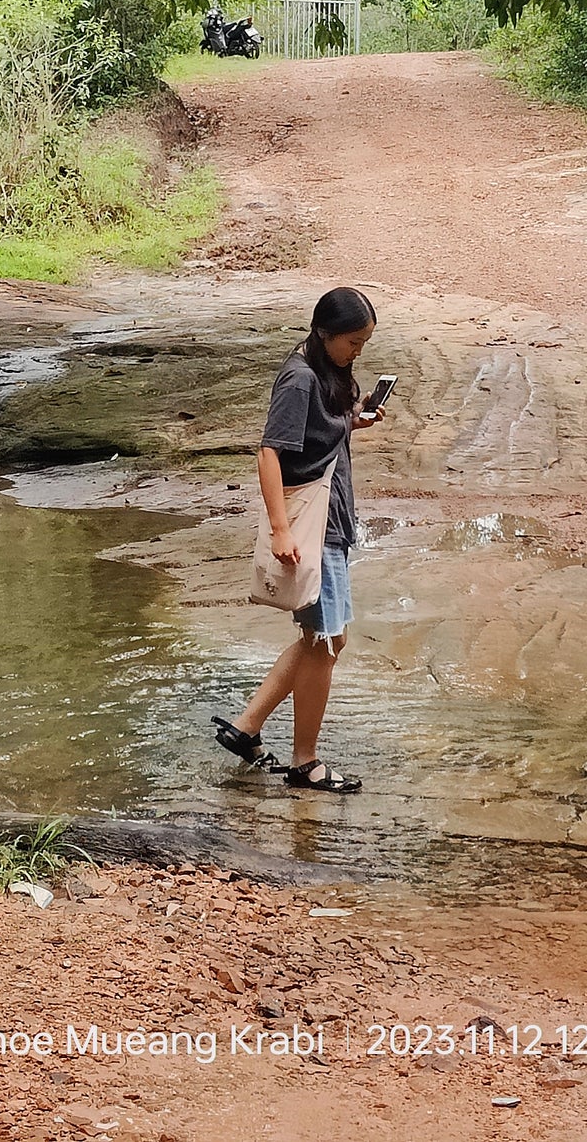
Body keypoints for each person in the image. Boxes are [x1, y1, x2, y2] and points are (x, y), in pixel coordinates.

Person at [212, 286, 383, 793]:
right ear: (325, 334)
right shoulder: (300, 377)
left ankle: (247, 729)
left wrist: (354, 419)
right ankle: (305, 762)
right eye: (353, 343)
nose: (358, 352)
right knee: (326, 641)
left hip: (330, 519)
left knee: (321, 639)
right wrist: (281, 528)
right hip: (311, 527)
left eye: (364, 344)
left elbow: (317, 433)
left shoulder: (325, 372)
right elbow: (270, 453)